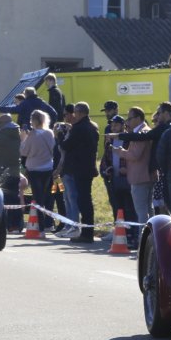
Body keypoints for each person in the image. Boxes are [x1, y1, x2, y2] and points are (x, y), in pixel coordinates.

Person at [59, 102, 99, 240]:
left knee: (83, 201)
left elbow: (66, 145)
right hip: (88, 167)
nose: (74, 115)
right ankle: (87, 231)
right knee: (85, 199)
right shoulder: (92, 126)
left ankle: (87, 233)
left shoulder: (79, 128)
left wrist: (60, 136)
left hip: (80, 168)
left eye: (75, 112)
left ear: (80, 113)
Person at [20, 109, 59, 228]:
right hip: (48, 168)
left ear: (33, 121)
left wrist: (23, 139)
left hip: (34, 169)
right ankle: (48, 223)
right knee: (48, 196)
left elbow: (24, 151)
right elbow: (53, 148)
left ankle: (40, 226)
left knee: (38, 198)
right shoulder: (49, 133)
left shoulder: (32, 135)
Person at [119, 106, 158, 221]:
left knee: (141, 211)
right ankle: (151, 232)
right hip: (146, 175)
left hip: (140, 177)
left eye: (129, 119)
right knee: (148, 209)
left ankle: (144, 233)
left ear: (138, 118)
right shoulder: (145, 130)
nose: (127, 122)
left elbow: (135, 155)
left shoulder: (142, 132)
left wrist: (119, 151)